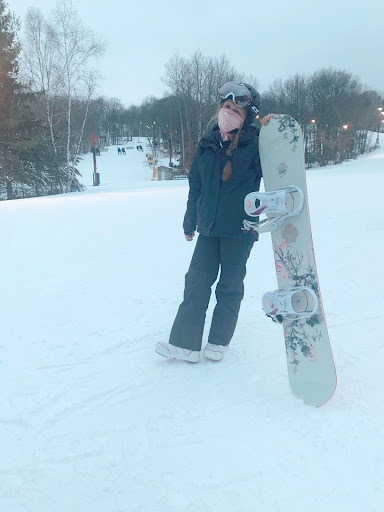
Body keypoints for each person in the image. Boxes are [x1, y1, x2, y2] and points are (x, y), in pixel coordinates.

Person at [155, 81, 271, 363]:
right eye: (226, 107)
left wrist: (273, 131)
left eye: (235, 109)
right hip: (208, 227)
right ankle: (185, 343)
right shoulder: (207, 143)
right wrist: (190, 222)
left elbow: (279, 165)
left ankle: (219, 342)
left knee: (229, 287)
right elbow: (196, 185)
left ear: (247, 116)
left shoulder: (256, 143)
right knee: (196, 282)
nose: (228, 112)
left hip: (239, 229)